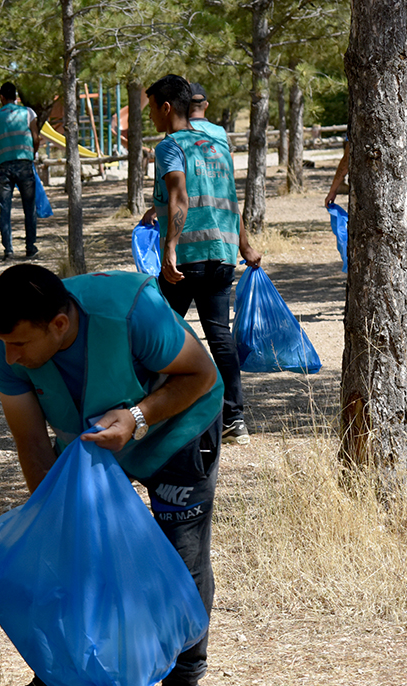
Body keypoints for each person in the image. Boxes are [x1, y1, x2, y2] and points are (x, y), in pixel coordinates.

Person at [0, 264, 223, 686]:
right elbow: (31, 442)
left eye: (20, 345)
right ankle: (60, 679)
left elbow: (201, 373)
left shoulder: (132, 310)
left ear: (59, 325)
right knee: (68, 553)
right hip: (96, 448)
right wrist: (57, 518)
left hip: (176, 428)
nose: (9, 358)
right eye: (4, 344)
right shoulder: (5, 347)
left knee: (181, 556)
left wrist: (137, 416)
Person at [140, 75, 261, 446]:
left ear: (166, 107)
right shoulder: (215, 144)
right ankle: (234, 419)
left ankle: (157, 416)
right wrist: (244, 248)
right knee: (218, 335)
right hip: (221, 254)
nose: (150, 120)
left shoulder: (169, 145)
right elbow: (227, 199)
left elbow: (180, 196)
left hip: (188, 256)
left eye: (151, 111)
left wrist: (170, 248)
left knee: (157, 334)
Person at [0, 82, 40, 260]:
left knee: (5, 208)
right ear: (16, 97)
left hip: (4, 167)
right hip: (25, 164)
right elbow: (35, 137)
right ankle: (30, 247)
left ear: (1, 97)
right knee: (29, 207)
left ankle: (8, 249)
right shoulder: (28, 113)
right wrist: (31, 154)